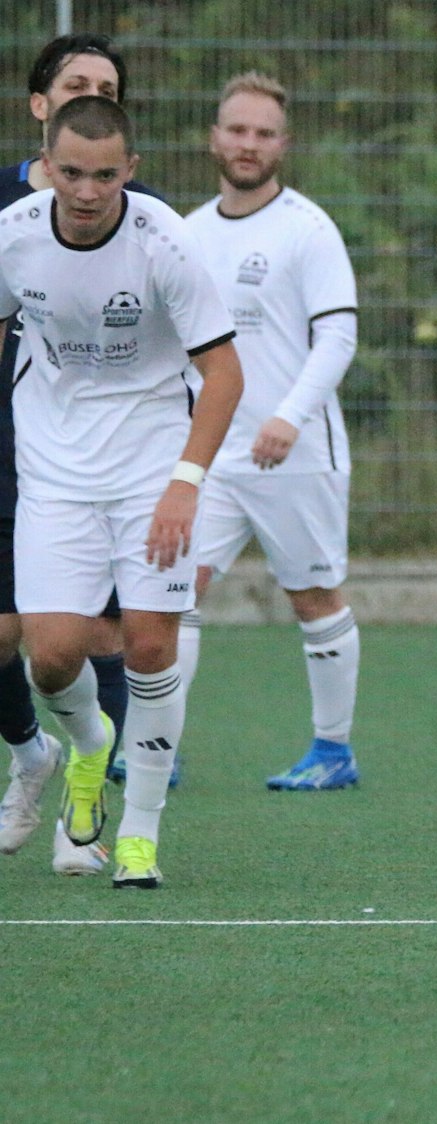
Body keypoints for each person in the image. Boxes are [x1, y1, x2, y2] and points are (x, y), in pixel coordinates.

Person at [0, 95, 245, 889]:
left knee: (149, 643)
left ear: (129, 173)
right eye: (71, 172)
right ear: (47, 160)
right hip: (54, 473)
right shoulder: (13, 236)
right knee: (51, 658)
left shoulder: (163, 242)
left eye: (104, 175)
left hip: (150, 471)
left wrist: (185, 482)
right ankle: (89, 744)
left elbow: (225, 375)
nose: (85, 190)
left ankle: (139, 833)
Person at [180, 72, 363, 791]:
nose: (248, 144)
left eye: (263, 133)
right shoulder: (188, 233)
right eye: (236, 129)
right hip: (212, 455)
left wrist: (290, 415)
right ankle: (154, 747)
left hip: (297, 454)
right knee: (172, 591)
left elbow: (339, 338)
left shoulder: (308, 229)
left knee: (312, 598)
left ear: (283, 144)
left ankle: (333, 750)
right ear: (214, 137)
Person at [0, 34, 152, 877]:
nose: (87, 95)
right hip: (6, 445)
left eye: (105, 88)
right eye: (73, 85)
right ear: (39, 106)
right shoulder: (3, 217)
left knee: (86, 633)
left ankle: (87, 803)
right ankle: (32, 756)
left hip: (93, 463)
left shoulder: (144, 217)